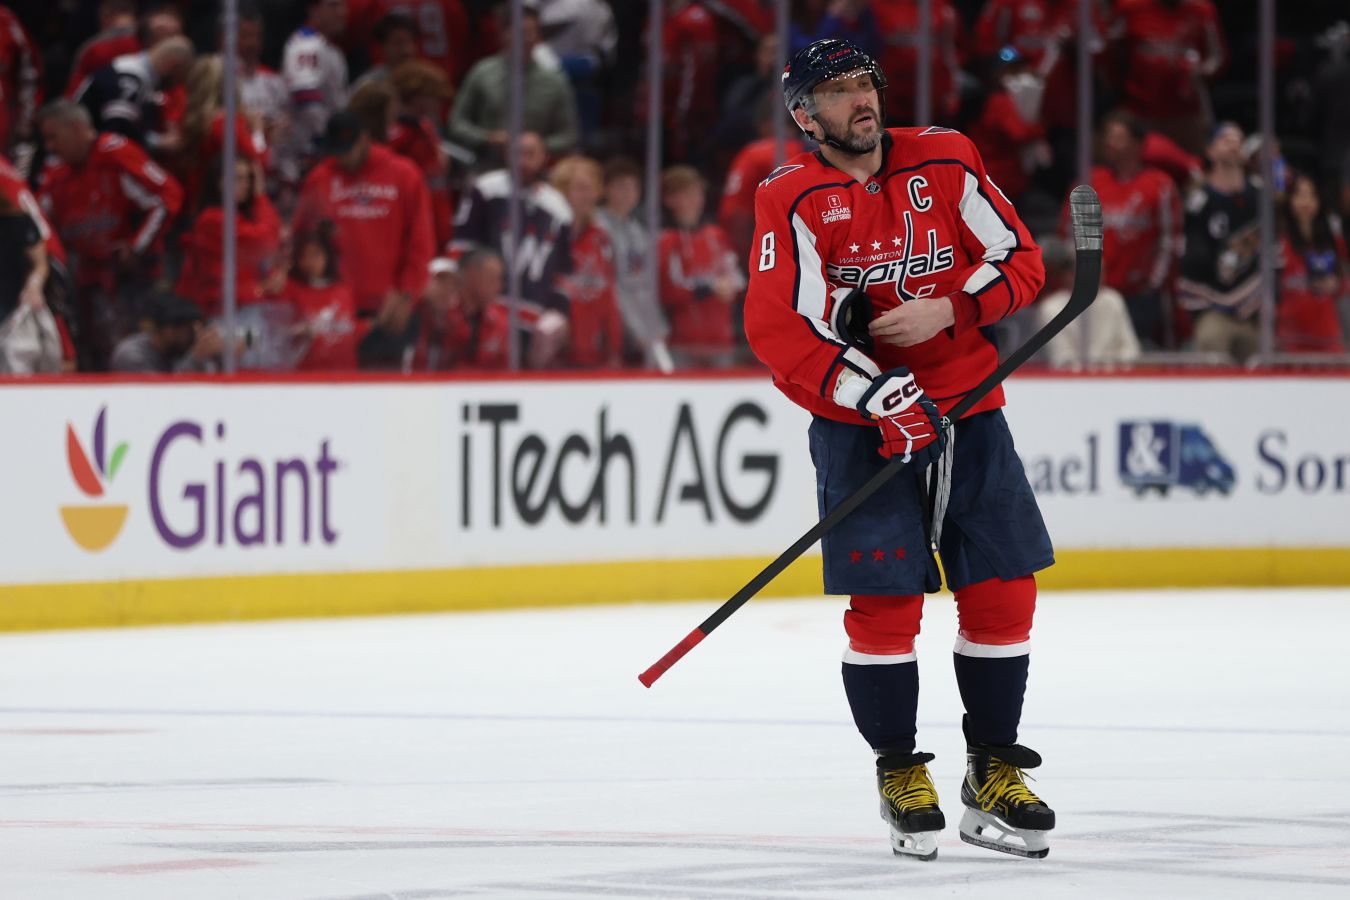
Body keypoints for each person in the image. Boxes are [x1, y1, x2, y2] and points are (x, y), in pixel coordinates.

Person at [743, 38, 1055, 860]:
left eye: (865, 83)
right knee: (885, 607)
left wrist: (952, 309)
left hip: (970, 409)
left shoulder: (946, 158)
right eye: (836, 91)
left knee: (1004, 590)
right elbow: (781, 328)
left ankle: (994, 770)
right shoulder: (789, 198)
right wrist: (874, 392)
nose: (860, 100)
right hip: (862, 429)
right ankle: (900, 772)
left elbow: (1021, 261)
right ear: (805, 117)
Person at [37, 99, 184, 371]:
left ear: (77, 128)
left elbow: (167, 197)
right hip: (87, 285)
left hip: (136, 279)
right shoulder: (56, 174)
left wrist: (136, 247)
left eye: (53, 137)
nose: (50, 147)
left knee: (133, 354)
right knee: (95, 356)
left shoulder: (115, 154)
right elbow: (37, 223)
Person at [293, 109, 435, 318]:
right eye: (336, 151)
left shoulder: (404, 175)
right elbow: (301, 237)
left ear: (365, 139)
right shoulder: (320, 178)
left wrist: (408, 293)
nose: (342, 157)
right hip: (335, 304)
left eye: (347, 150)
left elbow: (420, 242)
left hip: (390, 305)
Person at [1084, 110, 1182, 349]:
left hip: (1139, 293)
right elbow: (1071, 231)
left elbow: (1171, 240)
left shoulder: (1159, 185)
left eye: (1118, 137)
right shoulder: (1091, 180)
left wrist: (1153, 283)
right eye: (1108, 136)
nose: (1110, 143)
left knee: (1136, 351)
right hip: (1096, 291)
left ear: (1138, 144)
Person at [447, 3, 578, 166]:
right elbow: (457, 123)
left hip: (537, 169)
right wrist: (487, 137)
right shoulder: (482, 72)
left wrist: (537, 144)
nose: (528, 39)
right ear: (503, 33)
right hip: (487, 163)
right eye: (521, 32)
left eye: (533, 32)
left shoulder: (554, 80)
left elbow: (569, 135)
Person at [1177, 122, 1261, 364]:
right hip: (1213, 308)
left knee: (1266, 363)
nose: (1233, 144)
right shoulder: (1199, 201)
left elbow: (1274, 251)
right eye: (1225, 139)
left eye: (1238, 140)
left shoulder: (1261, 195)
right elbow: (1190, 261)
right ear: (1210, 151)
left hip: (1255, 310)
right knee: (1212, 348)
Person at [659, 165, 743, 368]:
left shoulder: (716, 235)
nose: (695, 200)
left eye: (698, 194)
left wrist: (730, 286)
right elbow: (669, 291)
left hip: (721, 341)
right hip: (683, 344)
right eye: (687, 195)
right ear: (670, 200)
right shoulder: (667, 240)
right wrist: (710, 288)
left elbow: (738, 278)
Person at [595, 156, 671, 369]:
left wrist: (656, 325)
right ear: (606, 189)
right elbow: (611, 284)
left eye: (633, 187)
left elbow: (644, 284)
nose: (628, 193)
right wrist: (635, 327)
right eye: (621, 186)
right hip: (609, 323)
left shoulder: (639, 231)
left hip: (640, 323)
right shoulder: (598, 227)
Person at [551, 155, 623, 367]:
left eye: (593, 189)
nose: (590, 196)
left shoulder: (600, 237)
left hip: (594, 352)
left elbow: (608, 295)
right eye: (582, 189)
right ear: (561, 191)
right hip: (555, 356)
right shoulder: (547, 235)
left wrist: (614, 349)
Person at [1276, 172, 1348, 354]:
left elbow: (1344, 283)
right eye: (1300, 195)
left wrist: (1335, 284)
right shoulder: (1279, 242)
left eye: (1311, 195)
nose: (1305, 202)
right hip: (1290, 339)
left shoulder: (1333, 240)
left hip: (1327, 337)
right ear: (1290, 200)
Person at [286, 223, 360, 370]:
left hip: (344, 372)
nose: (310, 262)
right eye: (304, 256)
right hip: (307, 373)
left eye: (316, 255)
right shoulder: (291, 290)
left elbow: (354, 328)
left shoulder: (343, 290)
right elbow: (281, 331)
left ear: (328, 256)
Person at [109, 292, 224, 373]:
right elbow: (158, 393)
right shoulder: (131, 355)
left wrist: (220, 354)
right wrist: (195, 358)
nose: (192, 338)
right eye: (189, 331)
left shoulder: (172, 351)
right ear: (170, 331)